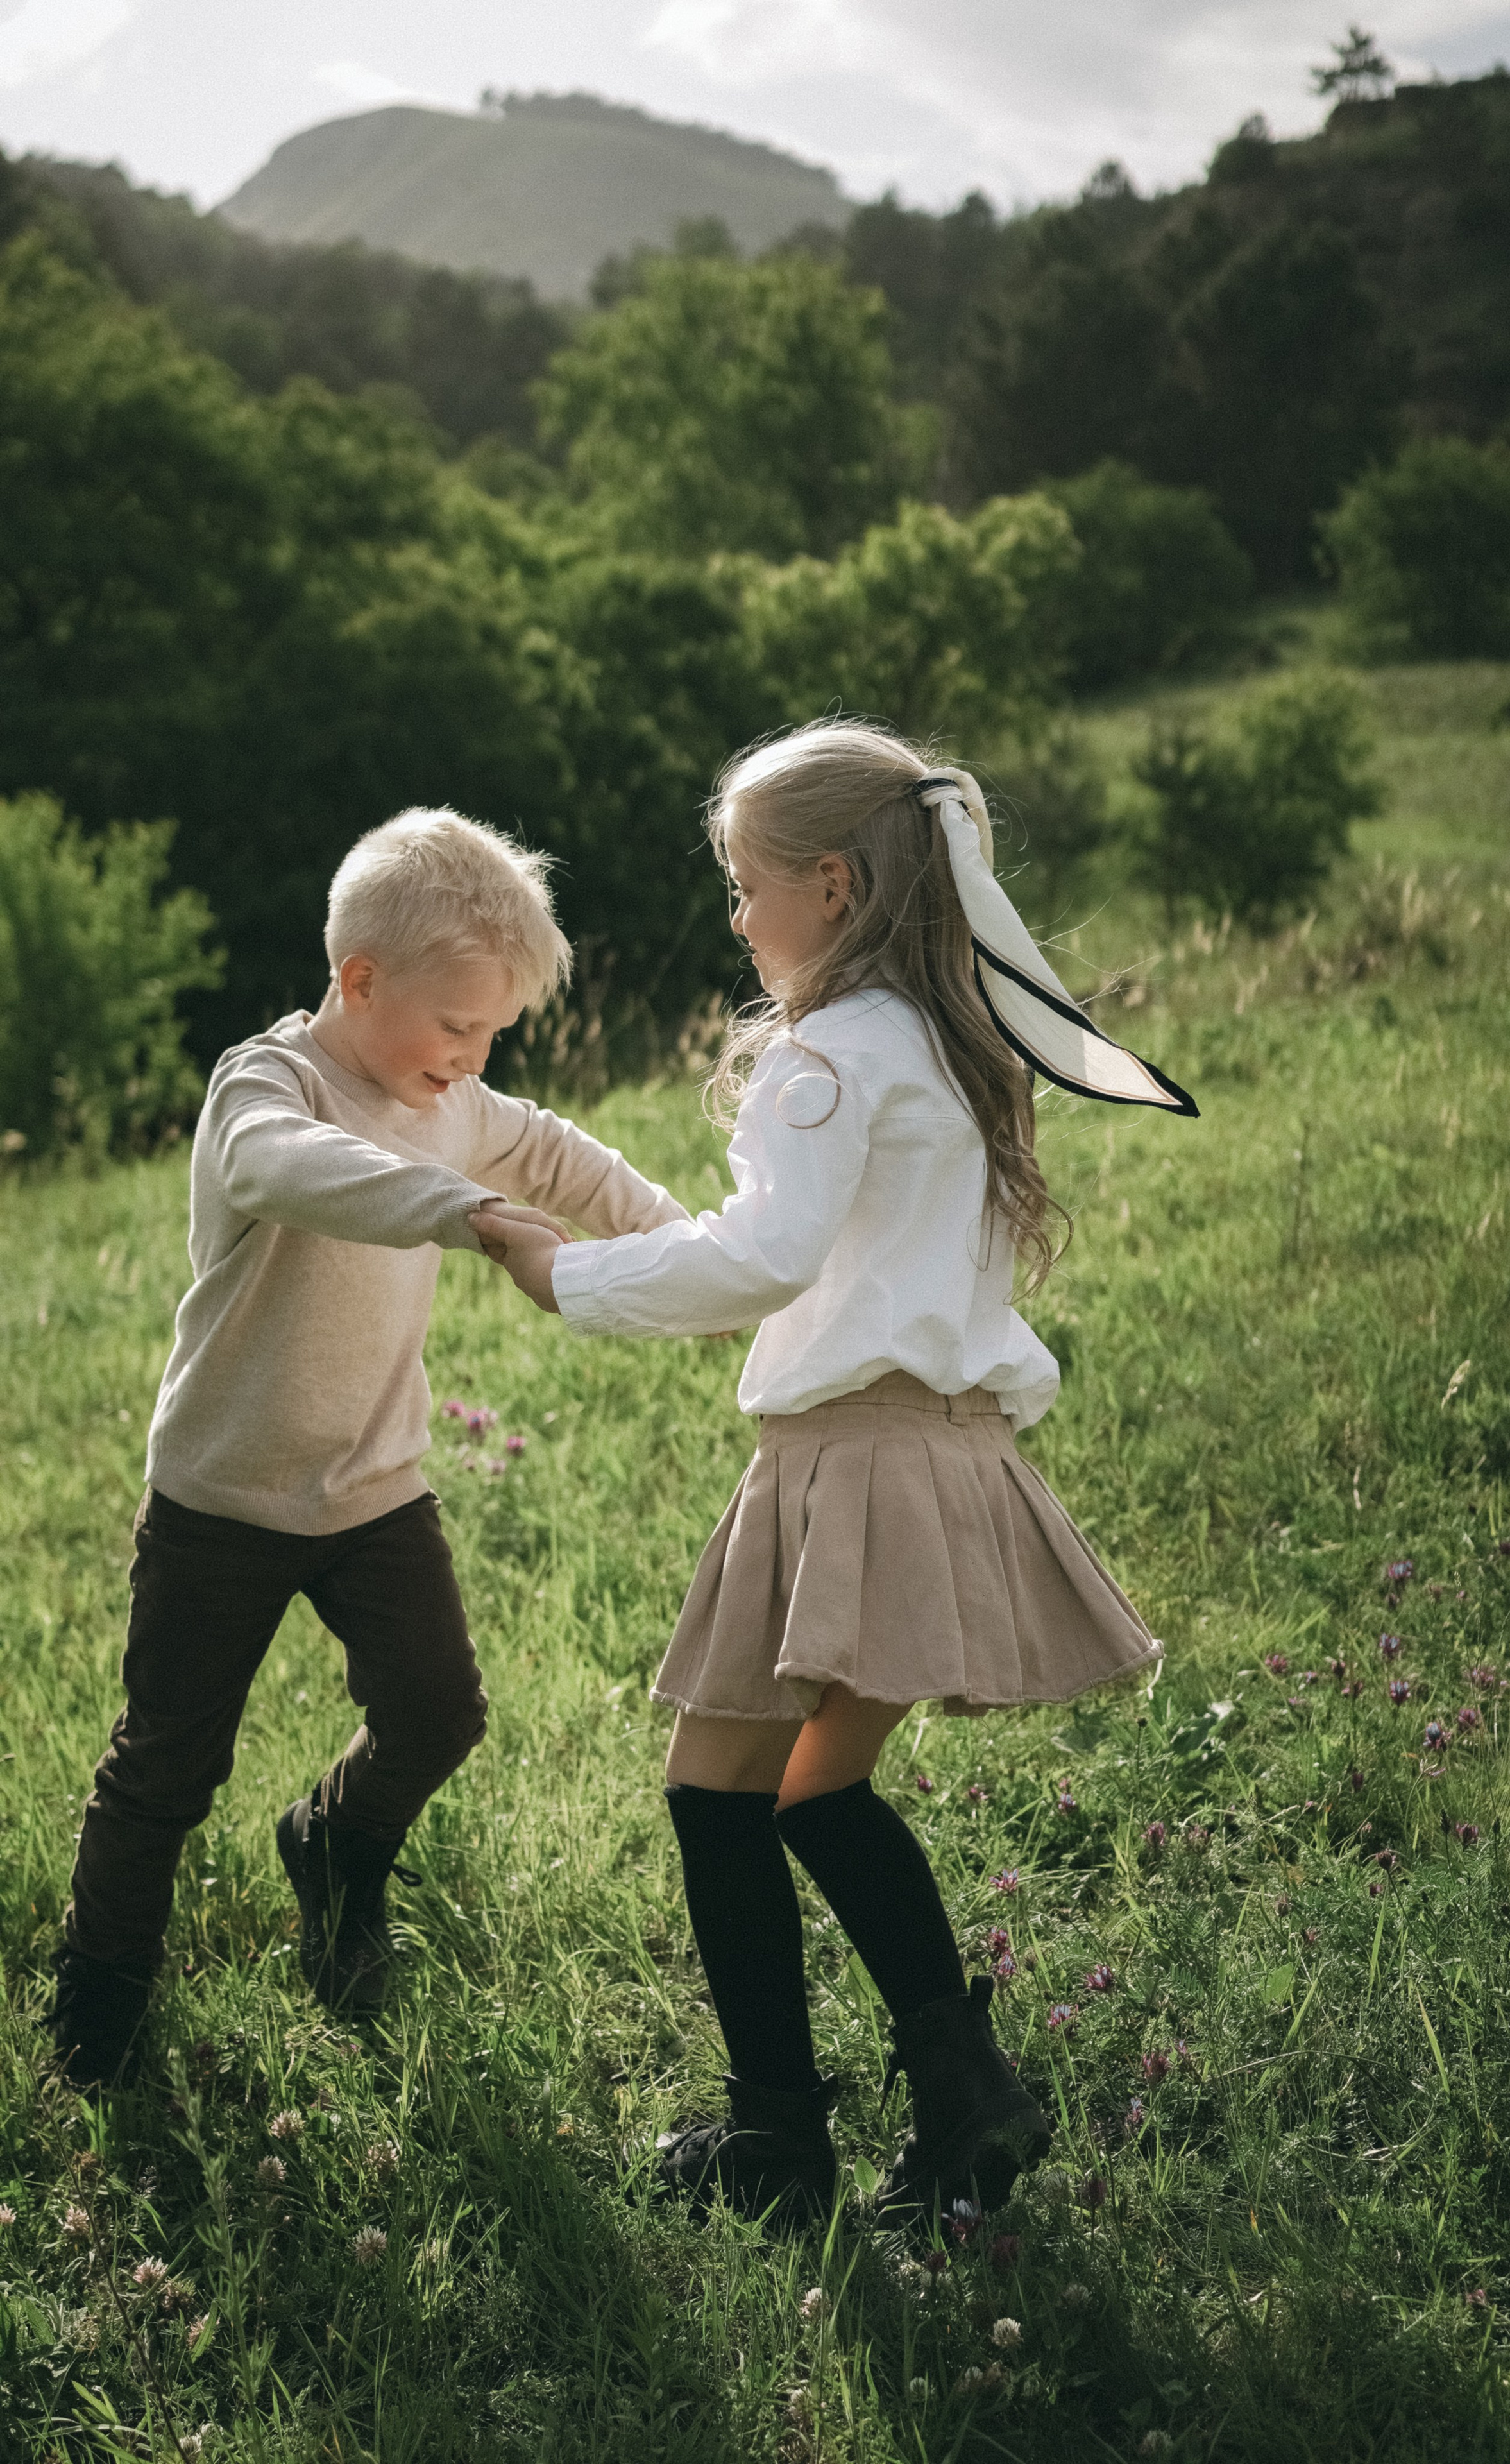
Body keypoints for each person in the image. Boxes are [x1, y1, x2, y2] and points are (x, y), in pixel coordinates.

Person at [475, 720, 1194, 2229]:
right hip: (926, 1451)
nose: (734, 917)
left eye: (744, 886)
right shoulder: (952, 1043)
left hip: (849, 1459)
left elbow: (764, 1254)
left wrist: (567, 1274)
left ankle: (800, 2139)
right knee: (785, 1789)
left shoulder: (821, 1057)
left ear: (834, 885)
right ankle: (918, 2110)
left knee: (733, 1791)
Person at [49, 807, 688, 2089]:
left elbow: (561, 1156)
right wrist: (472, 1215)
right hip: (222, 1500)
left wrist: (696, 1249)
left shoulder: (451, 1098)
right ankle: (101, 1997)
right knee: (167, 1766)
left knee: (437, 1713)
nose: (475, 1055)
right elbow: (296, 1170)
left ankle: (334, 1844)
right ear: (359, 979)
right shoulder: (266, 1087)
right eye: (457, 1026)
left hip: (373, 1489)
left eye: (494, 1030)